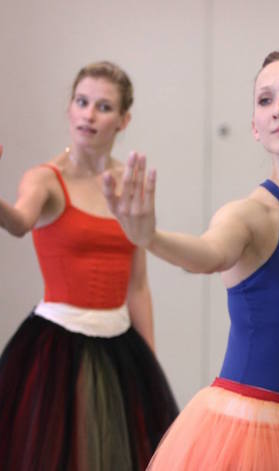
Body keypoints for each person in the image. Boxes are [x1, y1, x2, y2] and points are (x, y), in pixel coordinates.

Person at [104, 50, 279, 470]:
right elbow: (207, 254)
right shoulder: (249, 216)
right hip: (242, 436)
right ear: (255, 128)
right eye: (265, 100)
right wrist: (150, 238)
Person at [0, 61, 178, 470]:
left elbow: (137, 285)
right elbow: (19, 223)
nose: (88, 114)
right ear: (69, 109)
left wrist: (148, 362)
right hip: (55, 346)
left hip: (120, 343)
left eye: (103, 106)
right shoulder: (45, 179)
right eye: (82, 102)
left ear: (123, 120)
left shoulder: (127, 183)